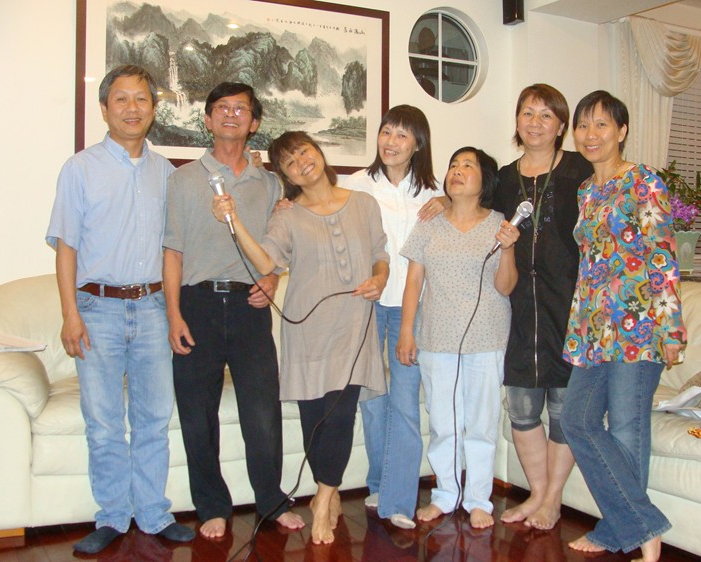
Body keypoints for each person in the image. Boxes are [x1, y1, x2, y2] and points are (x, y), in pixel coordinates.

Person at [212, 131, 389, 544]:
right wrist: (233, 220)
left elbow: (380, 254)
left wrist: (380, 279)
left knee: (341, 414)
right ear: (286, 176)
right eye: (289, 162)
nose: (301, 163)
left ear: (318, 152)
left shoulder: (363, 203)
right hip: (307, 331)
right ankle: (328, 492)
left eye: (303, 152)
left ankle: (322, 499)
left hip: (354, 324)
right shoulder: (288, 215)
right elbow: (266, 260)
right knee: (315, 421)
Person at [46, 65, 195, 554]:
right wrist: (70, 313)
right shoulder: (80, 168)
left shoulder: (166, 173)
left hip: (152, 308)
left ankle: (153, 514)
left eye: (142, 99)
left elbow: (176, 248)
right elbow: (66, 247)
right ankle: (112, 515)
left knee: (153, 418)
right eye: (122, 99)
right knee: (105, 421)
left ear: (154, 108)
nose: (133, 108)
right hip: (97, 309)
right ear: (105, 108)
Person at [162, 82, 304, 539]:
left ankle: (271, 500)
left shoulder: (270, 183)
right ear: (207, 120)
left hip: (250, 306)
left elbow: (277, 247)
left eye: (241, 108)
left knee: (262, 411)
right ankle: (212, 506)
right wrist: (173, 315)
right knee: (197, 413)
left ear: (254, 122)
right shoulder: (182, 179)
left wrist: (272, 278)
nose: (230, 114)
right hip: (197, 305)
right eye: (221, 108)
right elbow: (172, 253)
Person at [560, 90, 687, 562]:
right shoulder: (586, 191)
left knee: (627, 427)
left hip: (639, 325)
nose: (590, 135)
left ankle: (629, 535)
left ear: (622, 131)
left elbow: (661, 254)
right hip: (594, 328)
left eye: (601, 125)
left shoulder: (643, 181)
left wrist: (671, 328)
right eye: (583, 126)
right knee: (576, 420)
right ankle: (639, 526)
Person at [396, 146, 520, 529]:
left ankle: (479, 499)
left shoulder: (501, 224)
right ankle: (445, 495)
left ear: (486, 180)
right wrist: (406, 331)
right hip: (436, 338)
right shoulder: (430, 222)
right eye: (453, 165)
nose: (457, 171)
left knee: (481, 424)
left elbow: (505, 286)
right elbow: (414, 281)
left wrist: (509, 249)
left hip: (487, 337)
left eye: (468, 165)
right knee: (443, 422)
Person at [493, 84, 593, 530]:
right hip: (517, 306)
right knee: (521, 407)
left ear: (561, 126)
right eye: (528, 113)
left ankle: (551, 500)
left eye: (546, 115)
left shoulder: (580, 170)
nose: (535, 122)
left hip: (569, 304)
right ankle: (537, 493)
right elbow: (469, 206)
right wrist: (440, 201)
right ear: (517, 120)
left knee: (564, 408)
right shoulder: (502, 179)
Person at [344, 105, 443, 530]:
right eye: (387, 132)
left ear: (418, 143)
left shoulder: (434, 193)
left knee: (404, 401)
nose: (391, 142)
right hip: (367, 303)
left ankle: (400, 500)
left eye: (402, 135)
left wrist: (448, 201)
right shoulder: (355, 185)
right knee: (372, 400)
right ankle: (380, 484)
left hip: (412, 308)